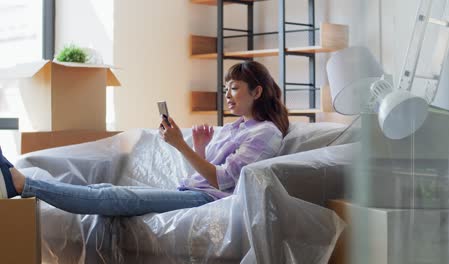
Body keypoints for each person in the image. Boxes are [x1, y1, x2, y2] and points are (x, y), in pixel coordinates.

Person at [0, 61, 289, 216]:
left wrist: (181, 145)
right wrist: (199, 148)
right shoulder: (237, 127)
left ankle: (19, 182)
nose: (227, 96)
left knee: (112, 196)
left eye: (234, 88)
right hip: (192, 192)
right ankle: (15, 179)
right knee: (104, 188)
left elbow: (223, 182)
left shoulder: (266, 133)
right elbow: (207, 173)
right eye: (225, 88)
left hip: (205, 201)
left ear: (257, 91)